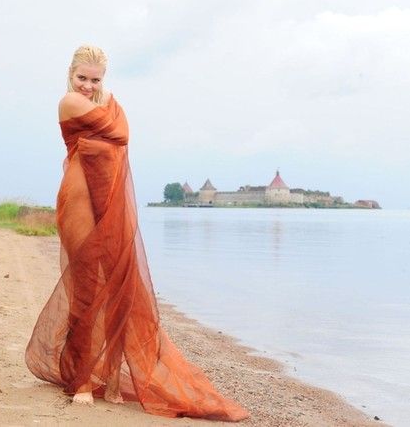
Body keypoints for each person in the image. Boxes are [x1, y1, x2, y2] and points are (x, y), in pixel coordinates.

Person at [25, 45, 249, 421]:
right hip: (79, 196)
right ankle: (82, 380)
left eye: (95, 80)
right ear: (70, 74)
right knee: (86, 287)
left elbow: (117, 135)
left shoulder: (101, 99)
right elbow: (121, 131)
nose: (86, 85)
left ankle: (111, 378)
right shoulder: (68, 102)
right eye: (82, 77)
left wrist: (108, 101)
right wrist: (109, 101)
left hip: (109, 198)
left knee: (121, 285)